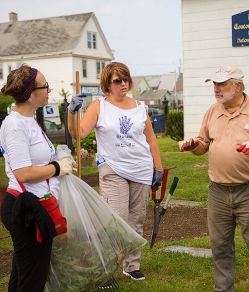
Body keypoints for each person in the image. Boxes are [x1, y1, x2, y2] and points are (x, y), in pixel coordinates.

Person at [180, 66, 249, 292]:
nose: (216, 89)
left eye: (222, 84)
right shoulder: (212, 112)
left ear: (237, 86)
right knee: (220, 247)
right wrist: (192, 146)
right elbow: (203, 146)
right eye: (214, 84)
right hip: (217, 191)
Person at [67, 62, 164, 281]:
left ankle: (131, 265)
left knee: (136, 220)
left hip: (141, 168)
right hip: (113, 168)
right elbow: (78, 134)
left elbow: (150, 139)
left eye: (126, 79)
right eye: (117, 80)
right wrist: (72, 113)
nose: (123, 84)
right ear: (107, 84)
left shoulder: (140, 106)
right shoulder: (99, 106)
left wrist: (158, 168)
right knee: (116, 218)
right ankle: (108, 265)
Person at [0, 64, 73, 291]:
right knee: (32, 281)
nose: (49, 90)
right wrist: (57, 167)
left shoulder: (29, 121)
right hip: (27, 209)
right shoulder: (15, 125)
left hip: (37, 206)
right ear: (31, 94)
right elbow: (24, 173)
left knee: (23, 278)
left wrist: (60, 160)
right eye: (45, 86)